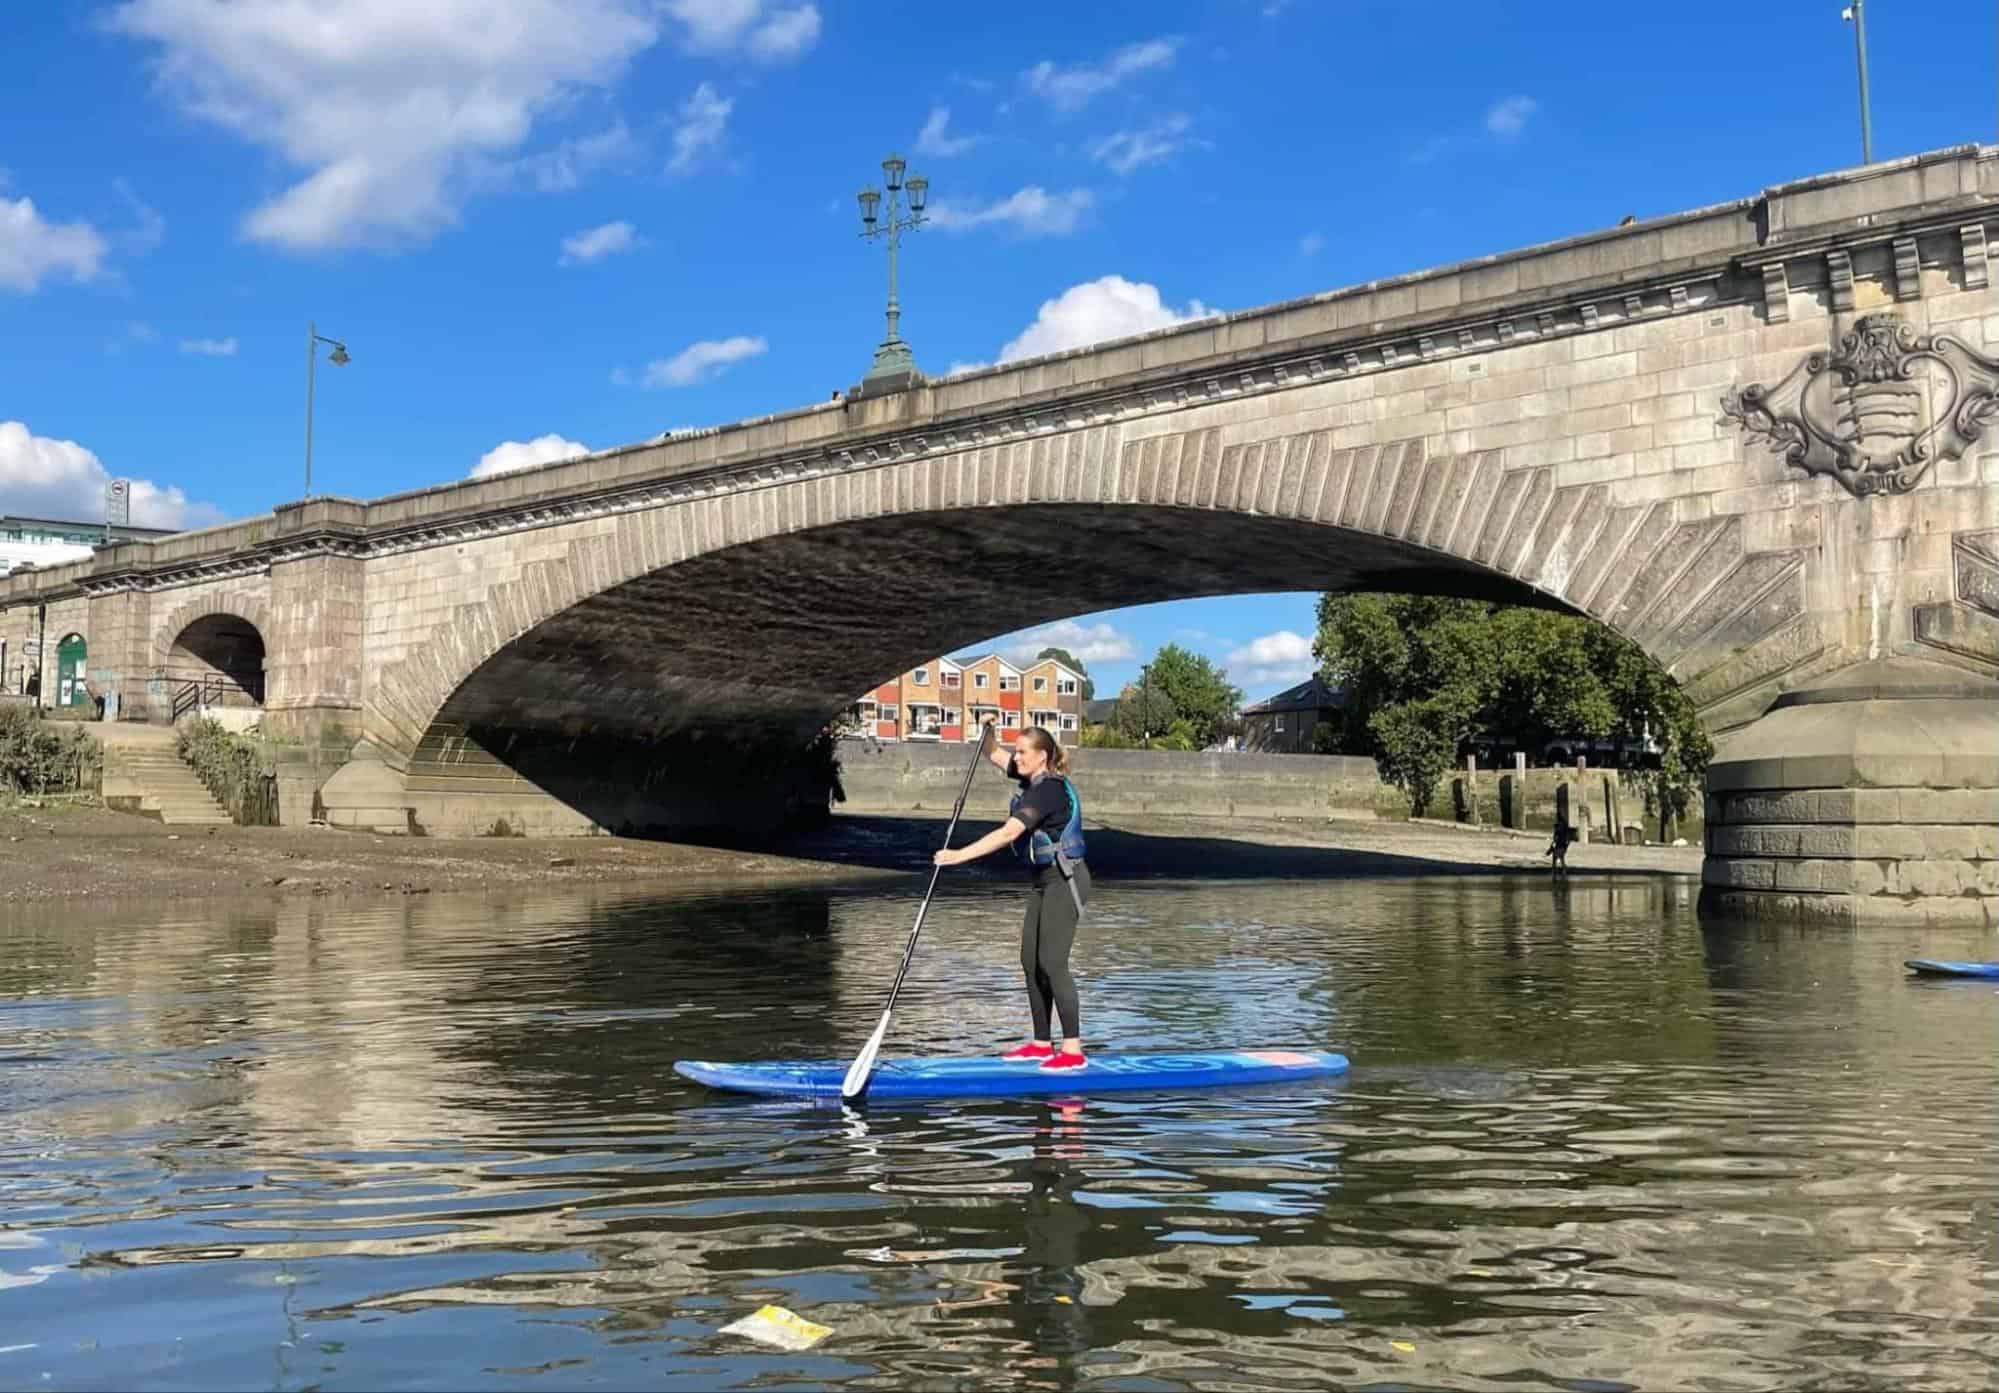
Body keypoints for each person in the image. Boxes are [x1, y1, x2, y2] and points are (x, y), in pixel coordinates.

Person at [934, 718, 1092, 1071]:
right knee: (1029, 960)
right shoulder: (1030, 778)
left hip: (1066, 880)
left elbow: (1008, 834)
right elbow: (991, 753)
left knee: (1052, 963)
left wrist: (957, 856)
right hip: (1042, 879)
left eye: (1023, 752)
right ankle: (1041, 1044)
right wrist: (988, 731)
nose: (1016, 757)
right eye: (1016, 751)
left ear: (1042, 756)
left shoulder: (1048, 790)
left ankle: (1073, 1050)